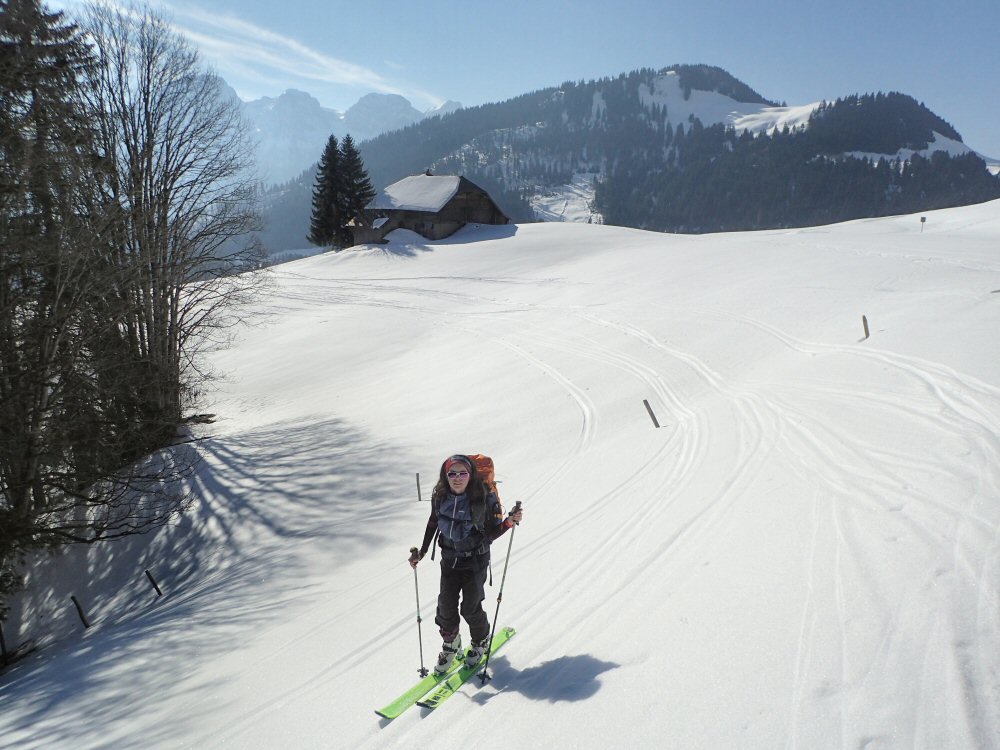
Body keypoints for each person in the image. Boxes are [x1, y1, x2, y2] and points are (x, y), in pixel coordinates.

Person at [409, 454, 523, 674]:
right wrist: (421, 552)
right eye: (452, 473)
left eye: (463, 473)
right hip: (449, 559)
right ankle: (452, 645)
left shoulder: (481, 499)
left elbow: (490, 534)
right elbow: (433, 522)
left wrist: (509, 522)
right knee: (445, 608)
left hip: (475, 560)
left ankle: (480, 641)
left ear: (470, 475)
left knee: (470, 607)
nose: (457, 478)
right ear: (445, 475)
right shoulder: (440, 496)